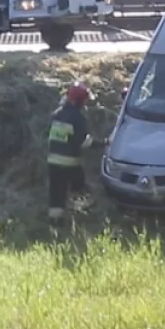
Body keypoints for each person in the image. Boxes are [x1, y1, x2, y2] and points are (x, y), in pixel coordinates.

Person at [46, 82, 107, 223]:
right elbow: (84, 142)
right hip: (70, 163)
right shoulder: (77, 118)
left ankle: (55, 221)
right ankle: (81, 214)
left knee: (56, 192)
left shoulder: (56, 115)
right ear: (79, 101)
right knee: (79, 188)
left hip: (53, 161)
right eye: (84, 101)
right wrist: (103, 143)